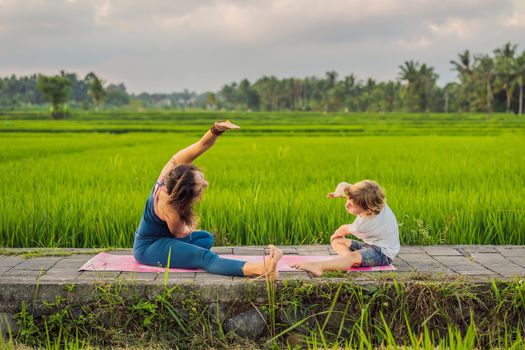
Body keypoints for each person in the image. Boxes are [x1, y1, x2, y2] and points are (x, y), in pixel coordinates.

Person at [133, 121, 282, 278]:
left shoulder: (171, 170)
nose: (206, 184)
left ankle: (185, 254)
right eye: (201, 187)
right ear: (186, 196)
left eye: (201, 178)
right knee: (205, 257)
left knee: (205, 238)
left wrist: (217, 129)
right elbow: (177, 233)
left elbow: (202, 145)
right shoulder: (171, 209)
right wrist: (188, 230)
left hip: (167, 236)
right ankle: (263, 269)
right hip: (149, 247)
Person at [292, 180, 399, 276]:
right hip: (369, 246)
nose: (347, 204)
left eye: (351, 205)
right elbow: (344, 184)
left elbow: (343, 229)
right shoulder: (375, 202)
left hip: (383, 254)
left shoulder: (362, 226)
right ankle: (348, 261)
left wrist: (335, 235)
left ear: (367, 210)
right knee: (337, 241)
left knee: (339, 242)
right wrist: (338, 192)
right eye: (348, 200)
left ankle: (320, 266)